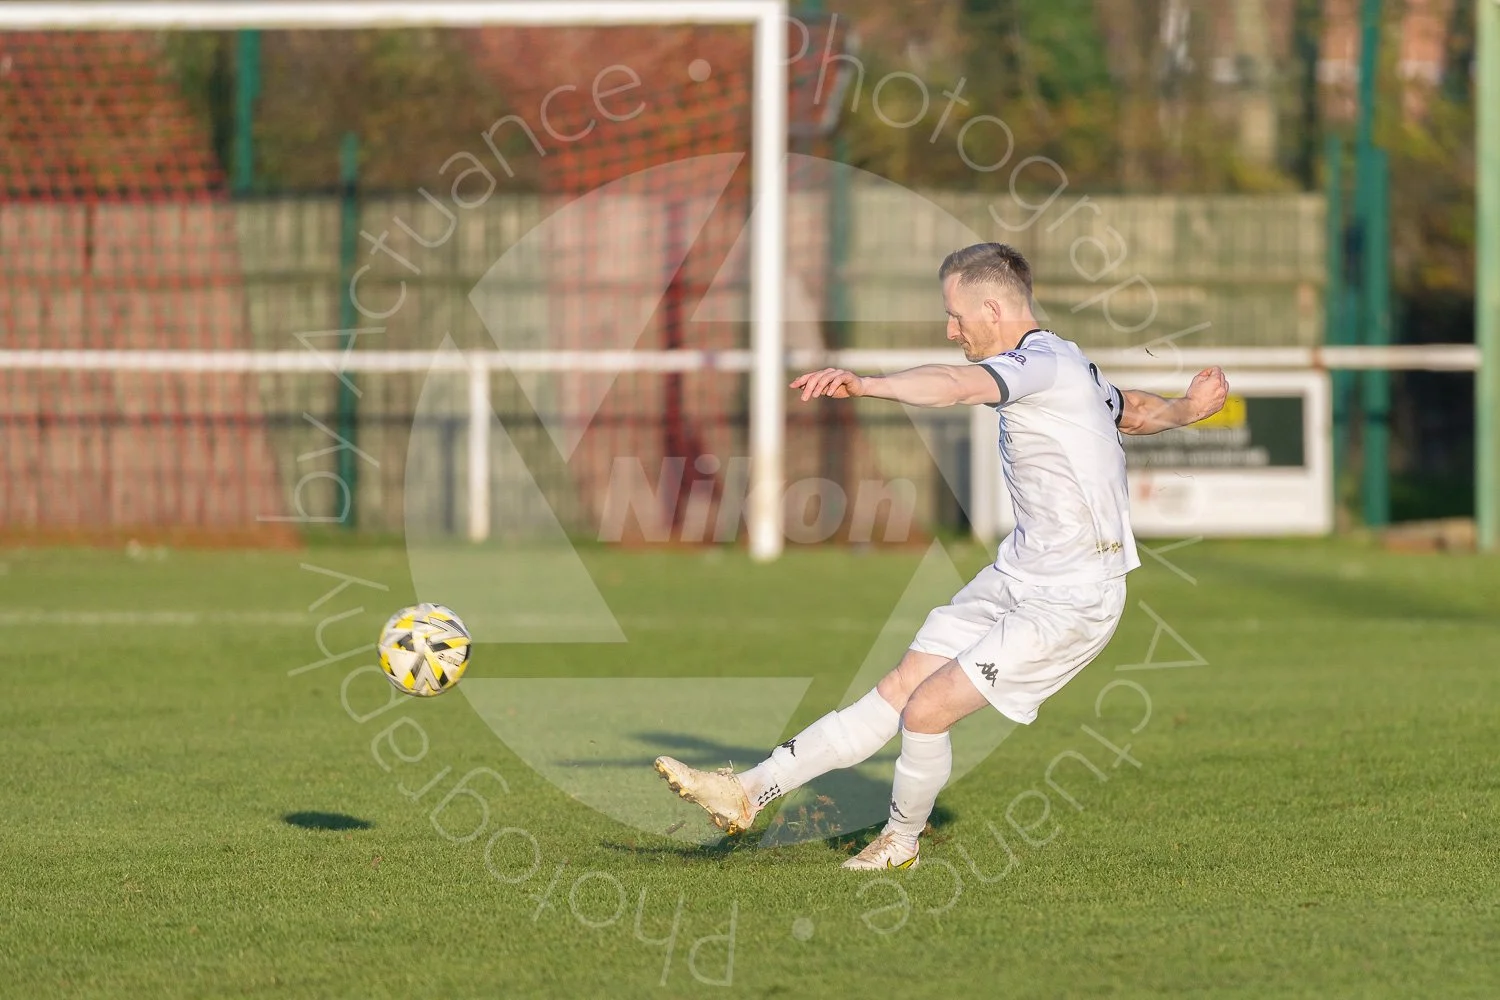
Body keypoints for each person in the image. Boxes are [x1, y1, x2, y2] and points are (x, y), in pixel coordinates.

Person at [655, 242, 1229, 869]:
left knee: (927, 712)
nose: (950, 329)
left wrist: (869, 385)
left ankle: (901, 842)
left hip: (1072, 600)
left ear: (992, 307)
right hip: (1018, 576)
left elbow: (956, 386)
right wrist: (1187, 410)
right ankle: (747, 793)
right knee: (900, 688)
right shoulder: (1068, 365)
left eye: (956, 316)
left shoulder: (1038, 366)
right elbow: (1131, 410)